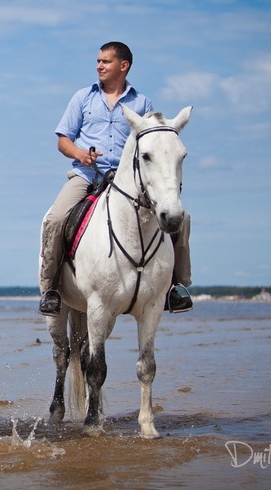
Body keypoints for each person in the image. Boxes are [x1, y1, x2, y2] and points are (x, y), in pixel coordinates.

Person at [38, 41, 192, 316]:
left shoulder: (142, 103)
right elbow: (63, 141)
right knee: (57, 218)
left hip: (127, 182)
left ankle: (177, 287)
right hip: (86, 174)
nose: (99, 65)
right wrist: (81, 154)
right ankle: (50, 289)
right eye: (98, 61)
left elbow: (152, 144)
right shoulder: (83, 98)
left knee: (183, 218)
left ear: (124, 66)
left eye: (106, 61)